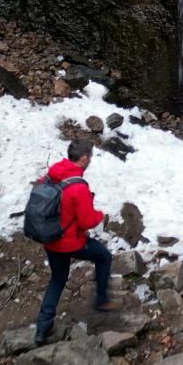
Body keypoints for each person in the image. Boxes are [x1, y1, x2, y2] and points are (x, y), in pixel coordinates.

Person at [34, 139, 119, 345]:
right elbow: (87, 221)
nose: (90, 159)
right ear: (82, 159)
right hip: (70, 242)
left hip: (50, 239)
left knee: (58, 279)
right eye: (89, 156)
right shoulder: (78, 187)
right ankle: (101, 301)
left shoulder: (50, 176)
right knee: (104, 257)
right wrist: (101, 216)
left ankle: (43, 328)